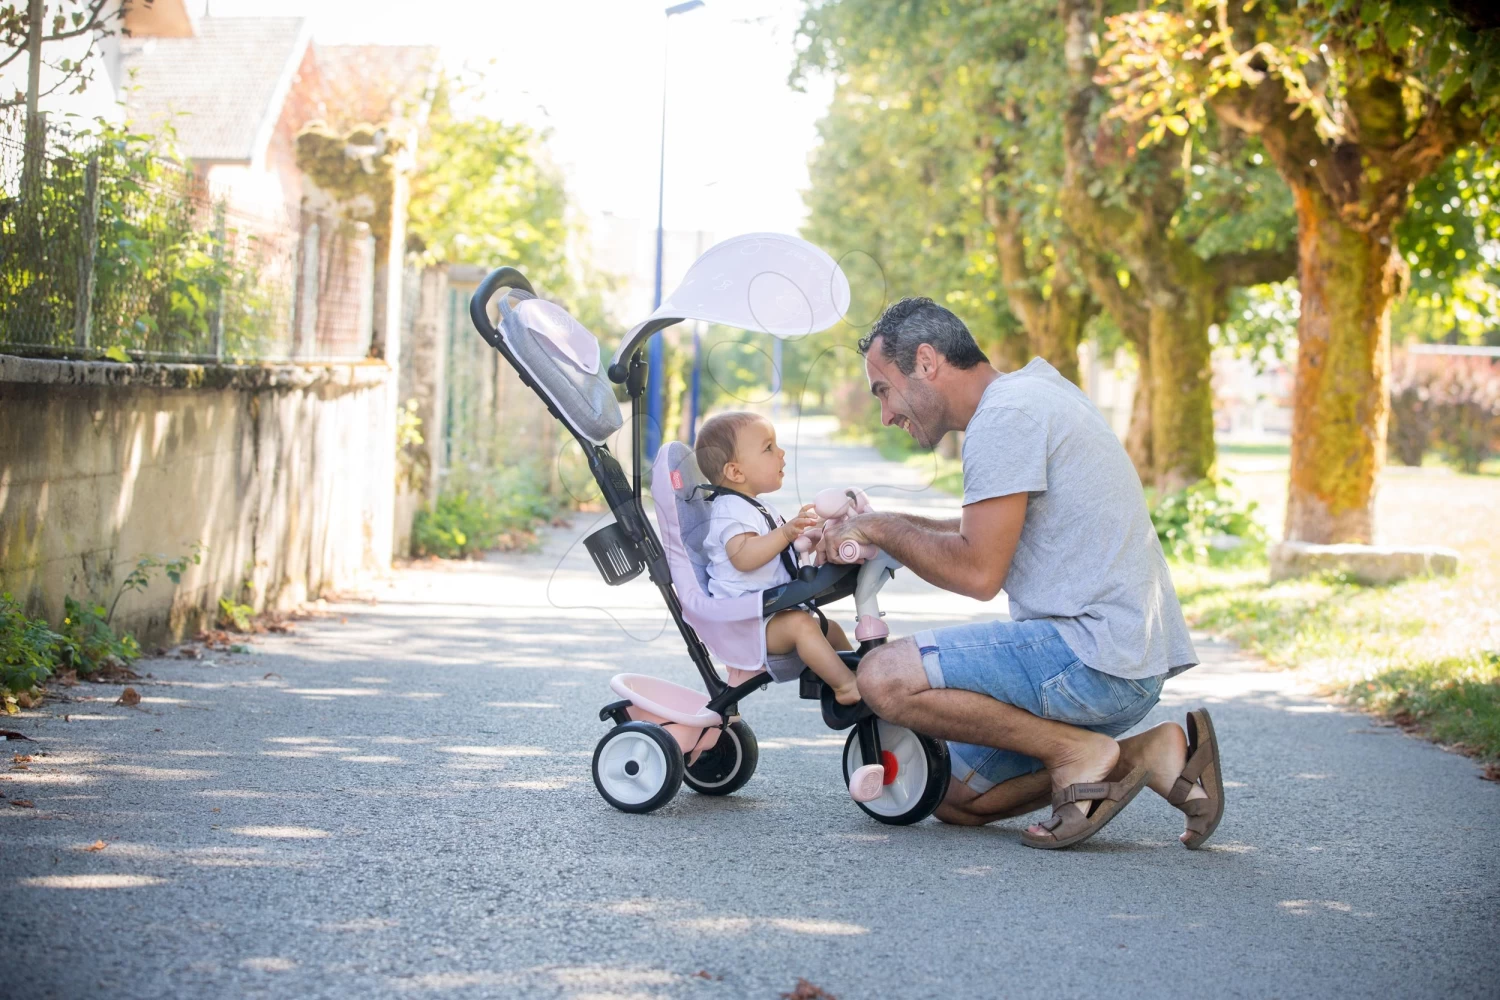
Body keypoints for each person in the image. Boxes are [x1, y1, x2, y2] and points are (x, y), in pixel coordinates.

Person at [817, 297, 1225, 850]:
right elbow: (981, 531)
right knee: (954, 798)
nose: (886, 413)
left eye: (883, 389)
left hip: (1091, 657)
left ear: (928, 361)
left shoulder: (1004, 419)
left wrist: (883, 531)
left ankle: (1073, 753)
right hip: (1122, 660)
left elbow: (979, 570)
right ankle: (1146, 756)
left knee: (883, 677)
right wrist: (874, 524)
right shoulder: (1033, 393)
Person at [694, 411, 861, 708]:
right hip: (744, 623)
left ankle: (865, 675)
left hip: (765, 612)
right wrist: (784, 534)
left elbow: (775, 554)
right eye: (768, 447)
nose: (781, 452)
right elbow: (743, 557)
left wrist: (806, 539)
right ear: (735, 472)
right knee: (802, 626)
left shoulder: (755, 506)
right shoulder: (730, 509)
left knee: (830, 629)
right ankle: (847, 686)